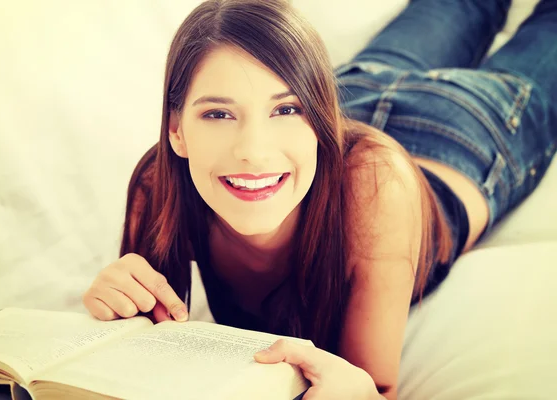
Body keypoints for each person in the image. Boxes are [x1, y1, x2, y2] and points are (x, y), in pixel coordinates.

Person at [83, 0, 557, 398]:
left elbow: (371, 386)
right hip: (360, 92)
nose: (252, 151)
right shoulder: (159, 181)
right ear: (176, 129)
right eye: (218, 114)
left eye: (286, 107)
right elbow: (142, 348)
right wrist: (116, 304)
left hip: (462, 129)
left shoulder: (376, 185)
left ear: (315, 113)